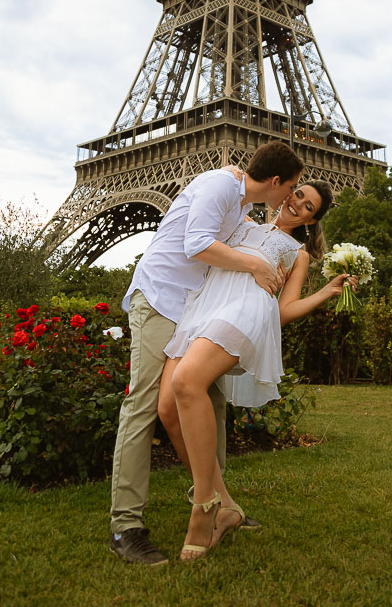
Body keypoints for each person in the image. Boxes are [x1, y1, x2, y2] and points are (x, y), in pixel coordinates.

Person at [109, 140, 304, 566]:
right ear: (275, 181)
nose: (290, 197)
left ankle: (221, 505)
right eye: (290, 187)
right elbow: (196, 244)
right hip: (162, 297)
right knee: (143, 405)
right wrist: (255, 266)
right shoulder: (219, 184)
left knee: (207, 401)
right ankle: (126, 526)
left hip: (194, 307)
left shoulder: (241, 203)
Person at [157, 179, 355, 562]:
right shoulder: (241, 221)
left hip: (245, 311)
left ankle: (203, 507)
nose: (298, 205)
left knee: (186, 382)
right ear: (285, 191)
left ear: (312, 221)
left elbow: (283, 310)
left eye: (309, 207)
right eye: (298, 195)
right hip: (201, 307)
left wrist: (326, 292)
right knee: (168, 410)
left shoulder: (297, 253)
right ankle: (226, 506)